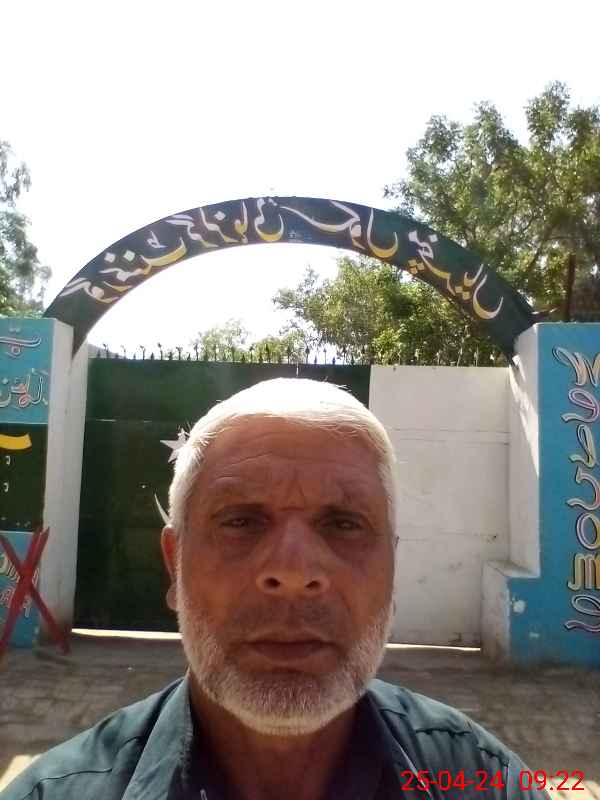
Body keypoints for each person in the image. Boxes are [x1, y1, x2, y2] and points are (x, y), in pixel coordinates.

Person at [3, 378, 548, 800]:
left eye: (343, 524)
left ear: (392, 566)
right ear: (175, 565)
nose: (292, 571)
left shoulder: (487, 781)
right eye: (241, 522)